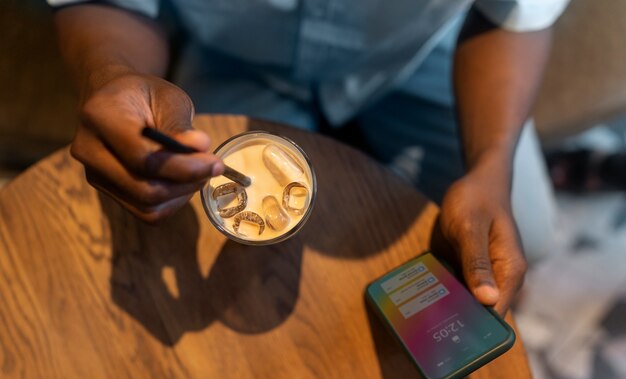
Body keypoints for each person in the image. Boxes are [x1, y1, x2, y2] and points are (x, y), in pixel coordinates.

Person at [48, 0, 568, 315]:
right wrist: (113, 75)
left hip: (411, 57)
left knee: (524, 234)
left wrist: (491, 163)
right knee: (192, 241)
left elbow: (515, 12)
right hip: (237, 59)